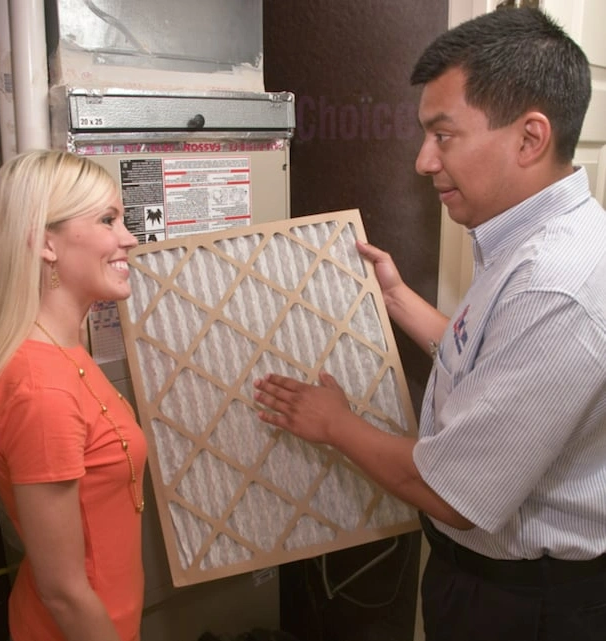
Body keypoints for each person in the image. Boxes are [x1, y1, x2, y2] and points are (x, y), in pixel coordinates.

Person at [254, 8, 607, 641]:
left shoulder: (555, 285)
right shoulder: (530, 243)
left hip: (528, 610)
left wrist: (333, 424)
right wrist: (398, 299)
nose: (423, 161)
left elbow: (454, 496)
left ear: (530, 138)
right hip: (488, 588)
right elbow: (496, 364)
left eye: (444, 136)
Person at [0, 150, 146, 641]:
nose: (128, 238)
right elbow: (63, 590)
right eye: (108, 219)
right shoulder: (42, 389)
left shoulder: (62, 350)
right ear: (45, 242)